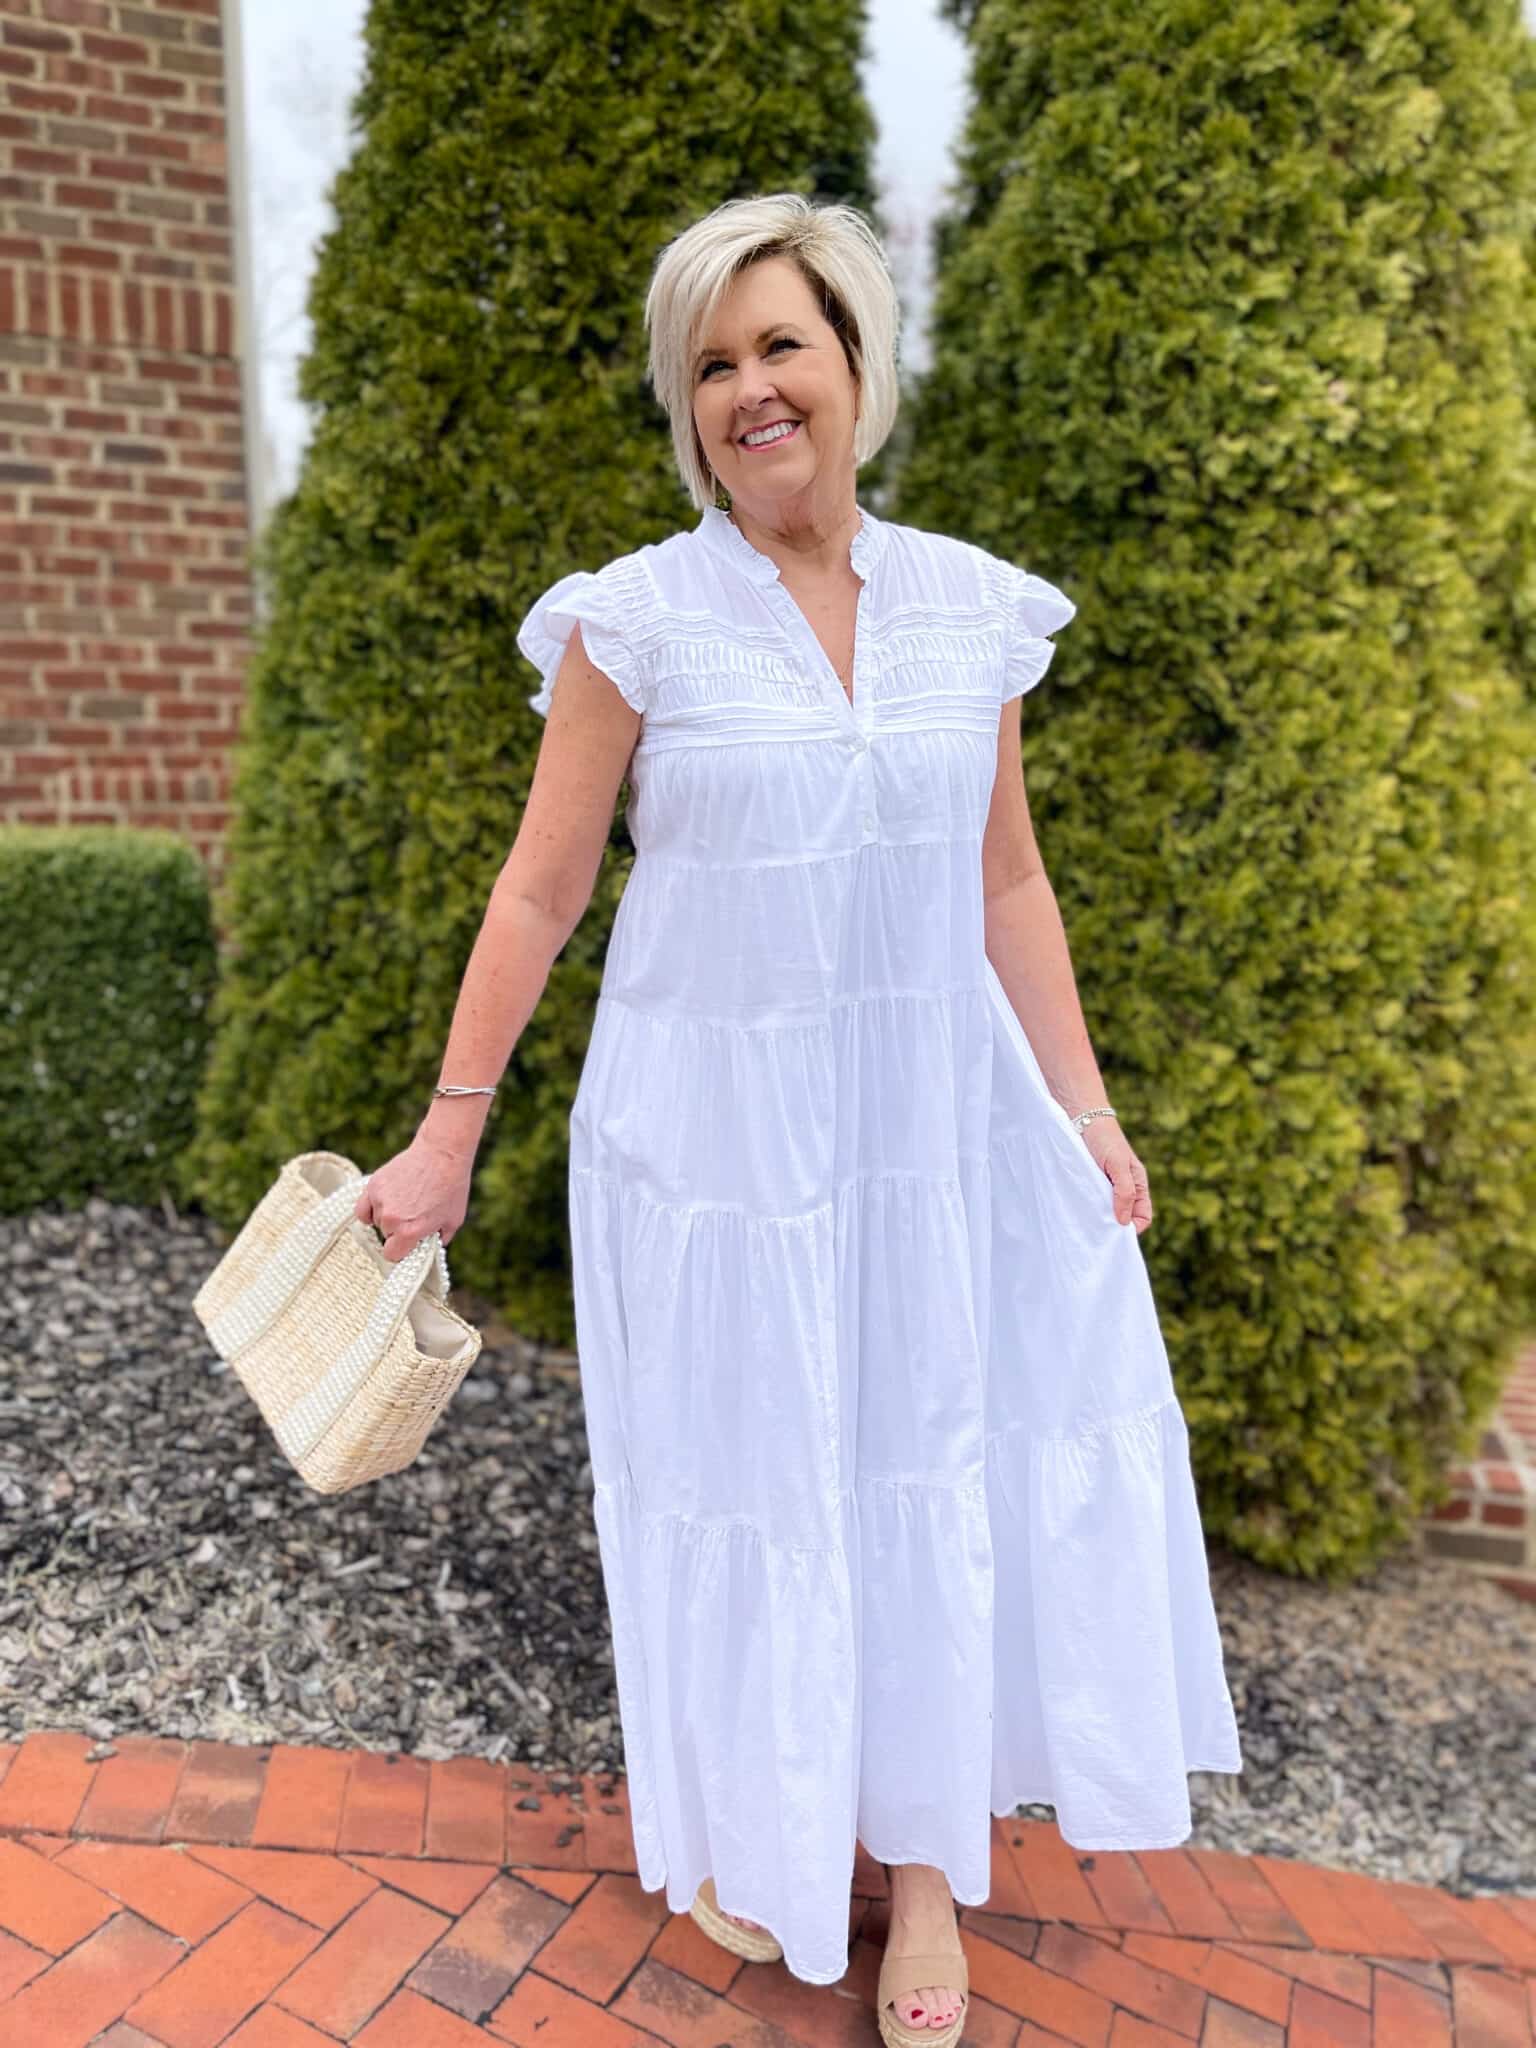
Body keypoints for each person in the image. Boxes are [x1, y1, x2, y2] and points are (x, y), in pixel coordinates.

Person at [356, 192, 1243, 2044]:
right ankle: (761, 1826)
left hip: (926, 1138)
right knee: (742, 1490)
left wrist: (1082, 1109)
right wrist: (447, 1135)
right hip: (710, 1157)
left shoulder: (977, 612)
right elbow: (538, 891)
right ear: (689, 412)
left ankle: (921, 1876)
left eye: (781, 347)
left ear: (855, 367)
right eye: (710, 365)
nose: (750, 390)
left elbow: (1010, 887)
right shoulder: (634, 622)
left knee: (925, 1473)